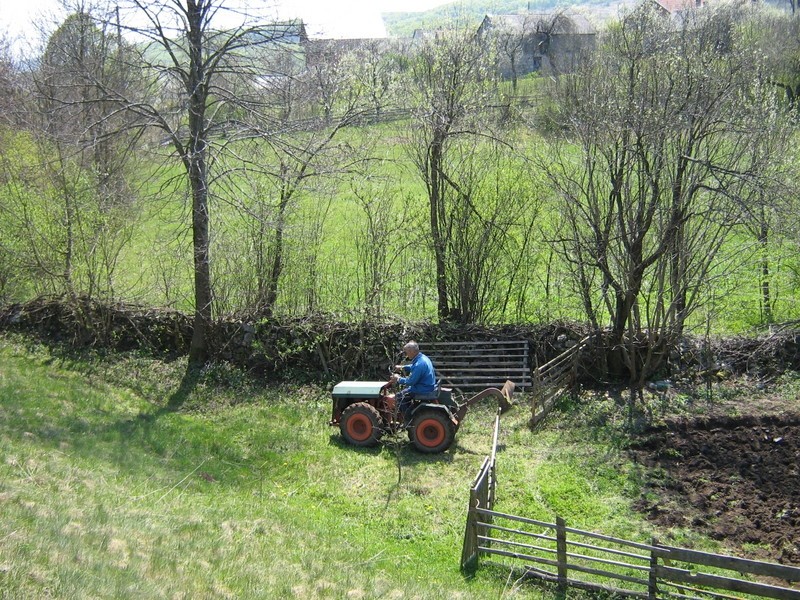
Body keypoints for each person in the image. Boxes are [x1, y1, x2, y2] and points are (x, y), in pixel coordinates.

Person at [391, 340, 436, 423]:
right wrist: (402, 367)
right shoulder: (422, 358)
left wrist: (398, 379)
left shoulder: (419, 364)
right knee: (404, 394)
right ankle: (410, 411)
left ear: (411, 351)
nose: (406, 354)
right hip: (427, 386)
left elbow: (411, 382)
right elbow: (413, 366)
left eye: (406, 352)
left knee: (399, 397)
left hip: (423, 389)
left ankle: (408, 420)